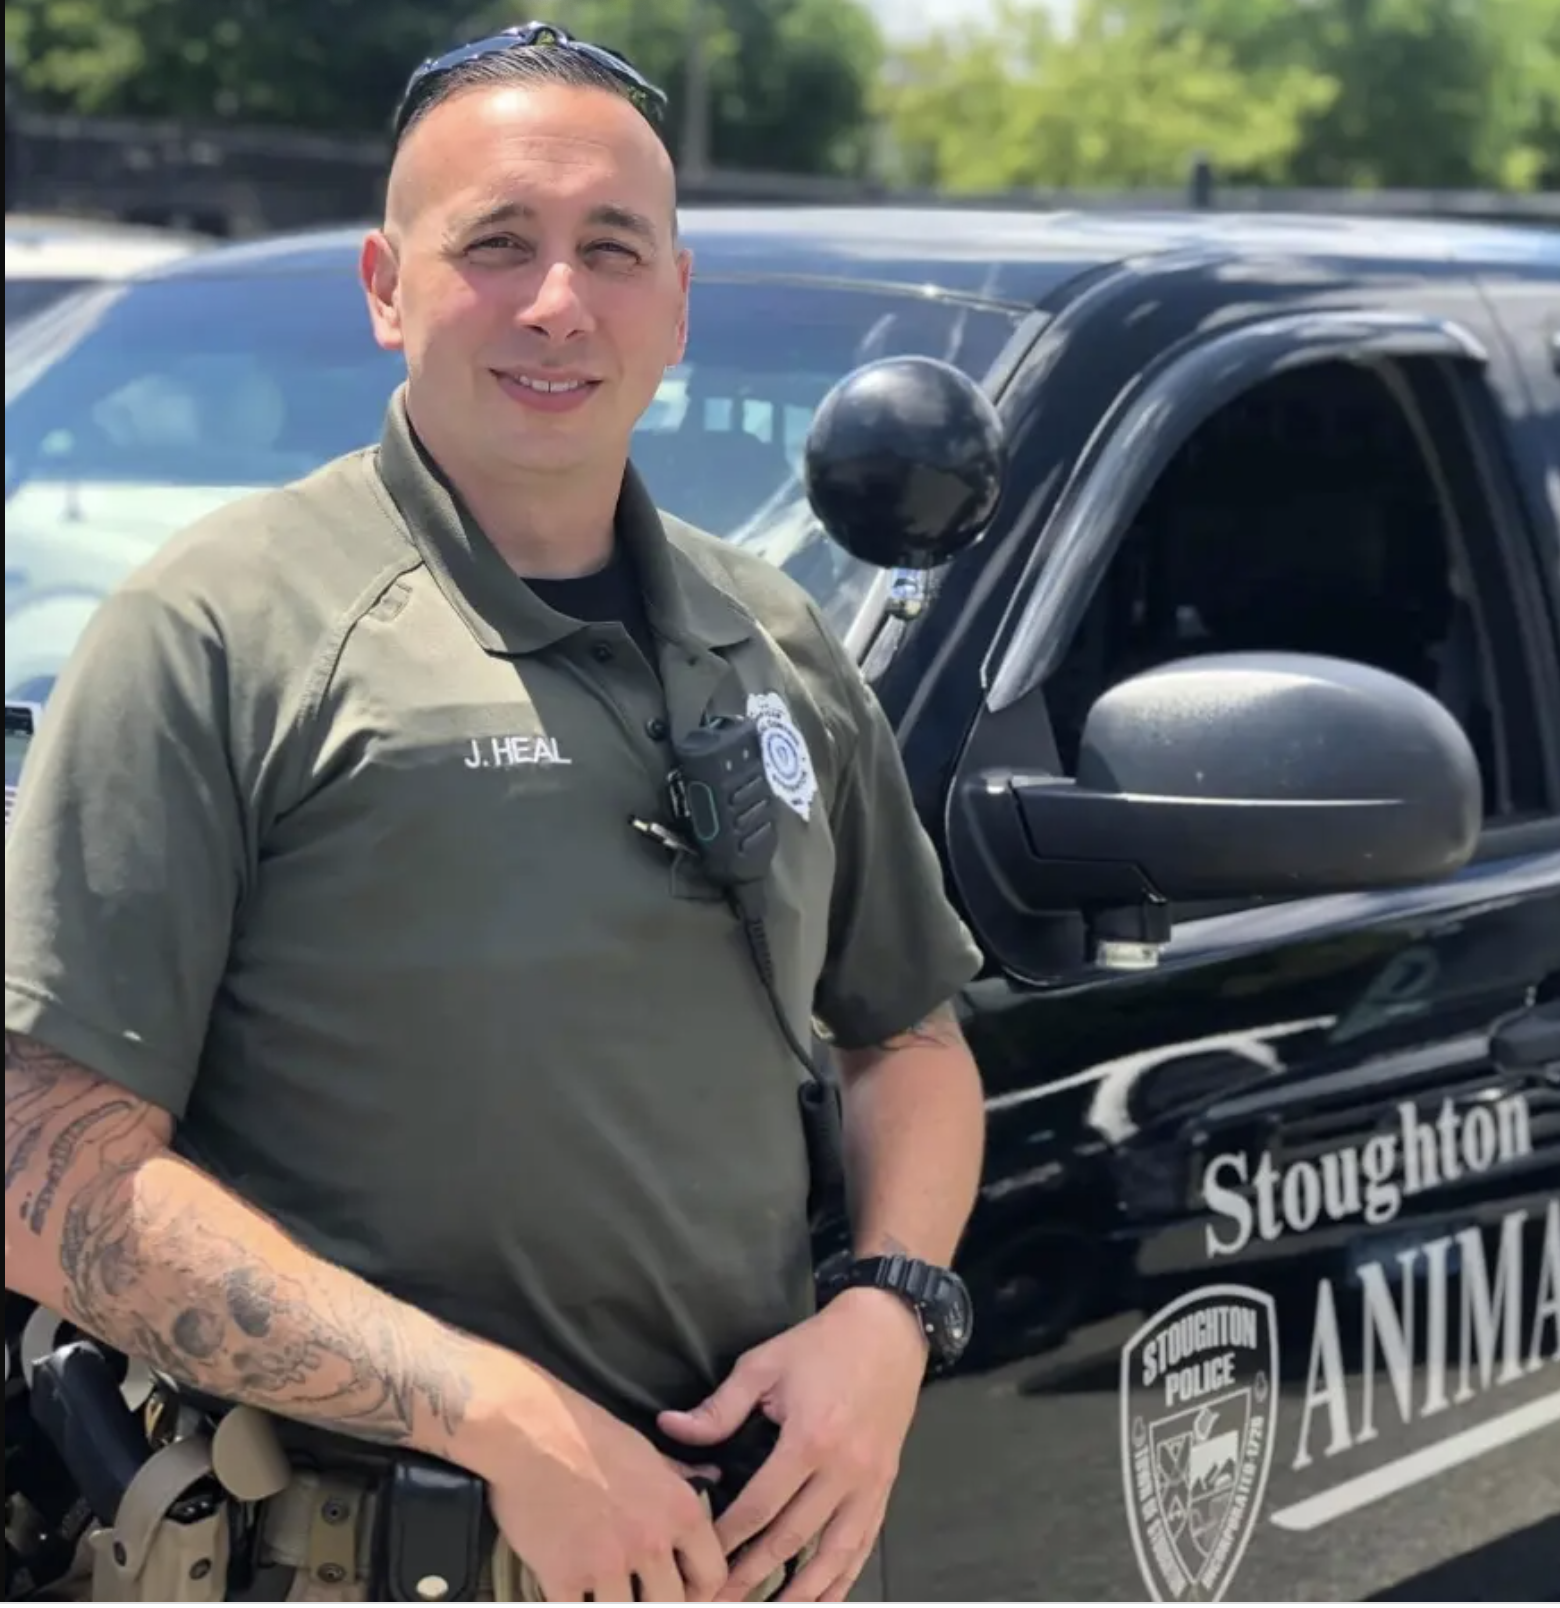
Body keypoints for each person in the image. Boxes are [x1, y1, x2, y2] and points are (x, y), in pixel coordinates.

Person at [3, 23, 988, 1604]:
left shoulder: (771, 634)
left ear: (677, 301)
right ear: (387, 286)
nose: (558, 303)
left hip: (746, 1559)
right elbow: (42, 1168)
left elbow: (910, 1042)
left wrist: (887, 1310)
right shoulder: (220, 630)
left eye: (614, 249)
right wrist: (487, 1413)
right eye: (498, 245)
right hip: (359, 1559)